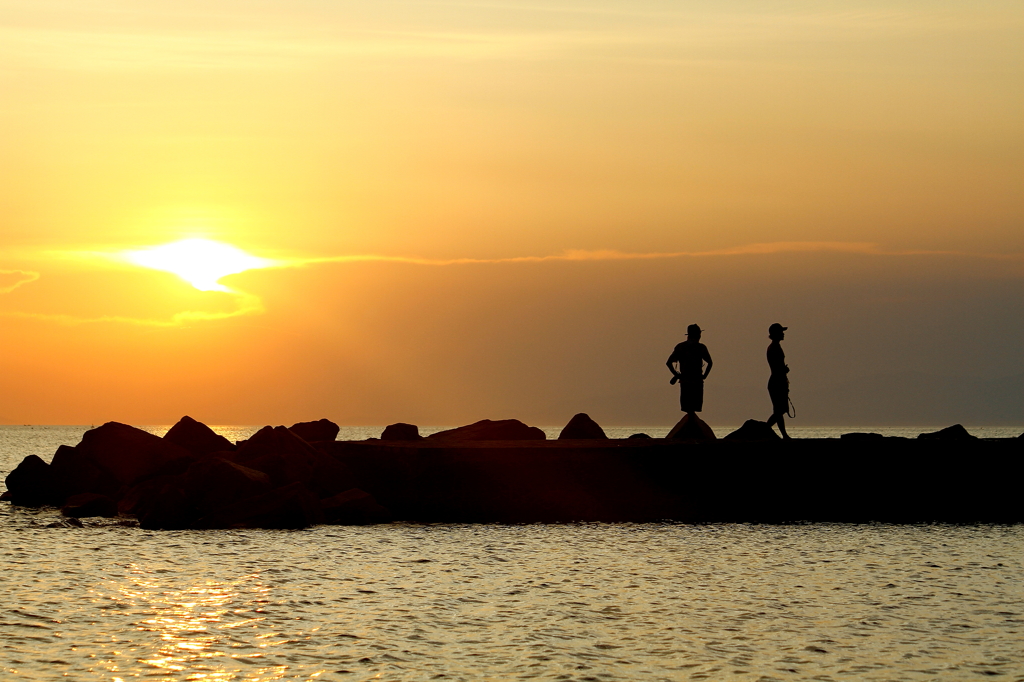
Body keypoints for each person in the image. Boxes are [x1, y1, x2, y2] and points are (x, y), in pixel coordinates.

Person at [666, 324, 713, 419]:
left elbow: (668, 363)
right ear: (698, 335)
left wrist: (677, 375)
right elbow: (710, 363)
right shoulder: (701, 347)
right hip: (697, 382)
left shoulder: (680, 347)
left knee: (688, 408)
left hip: (685, 382)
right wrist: (704, 376)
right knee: (694, 407)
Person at [765, 322, 791, 439]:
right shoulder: (774, 348)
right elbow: (776, 367)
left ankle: (766, 430)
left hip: (778, 380)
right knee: (779, 410)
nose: (783, 334)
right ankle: (767, 430)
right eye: (781, 332)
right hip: (777, 381)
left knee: (780, 410)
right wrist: (784, 370)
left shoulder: (775, 347)